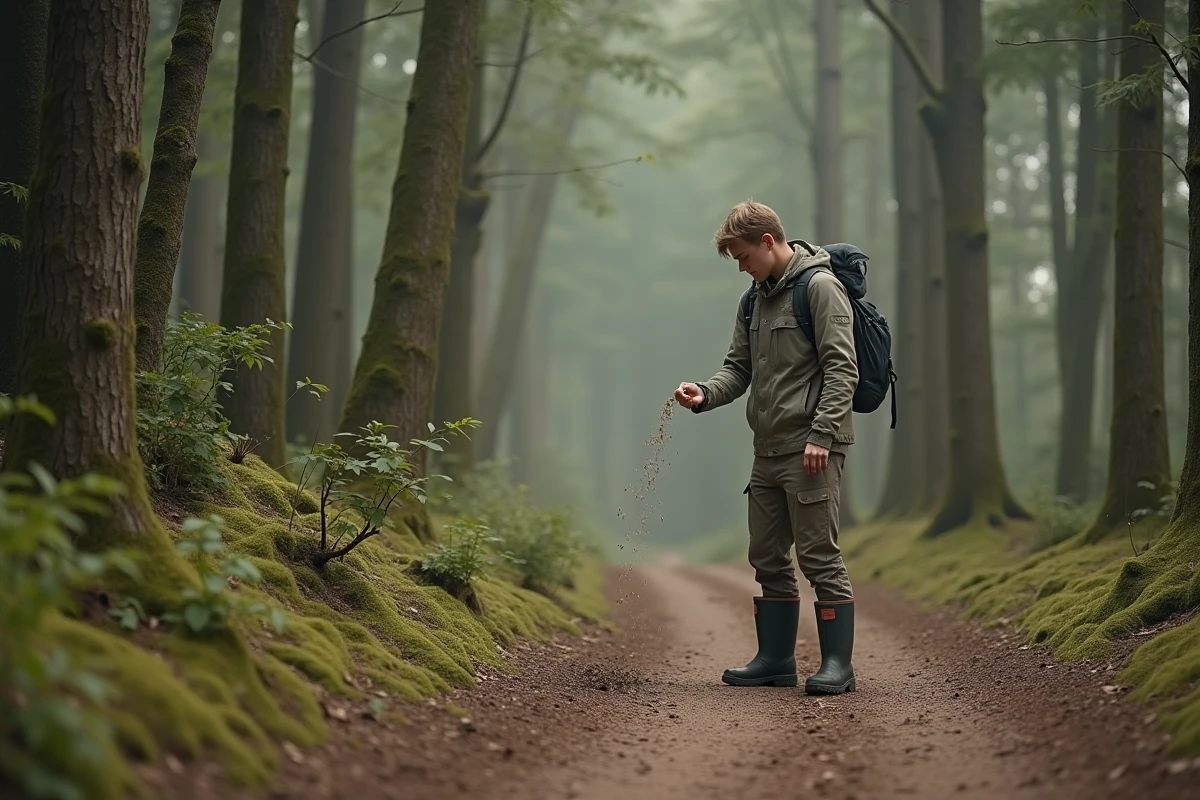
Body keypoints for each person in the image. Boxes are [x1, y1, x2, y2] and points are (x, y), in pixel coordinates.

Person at [674, 200, 858, 695]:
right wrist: (705, 393)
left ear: (768, 242)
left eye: (742, 255)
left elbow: (843, 368)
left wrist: (822, 435)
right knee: (767, 558)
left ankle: (839, 666)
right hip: (769, 449)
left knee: (819, 557)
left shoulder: (820, 288)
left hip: (813, 447)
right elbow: (738, 369)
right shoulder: (752, 300)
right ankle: (775, 660)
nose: (740, 265)